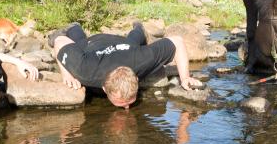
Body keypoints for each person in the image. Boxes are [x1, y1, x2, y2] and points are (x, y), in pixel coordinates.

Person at [51, 22, 201, 109]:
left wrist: (185, 78)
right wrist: (68, 74)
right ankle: (74, 26)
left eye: (129, 101)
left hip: (125, 45)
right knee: (79, 42)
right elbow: (60, 41)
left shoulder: (142, 60)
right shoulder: (85, 69)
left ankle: (138, 27)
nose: (127, 108)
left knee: (134, 41)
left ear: (136, 78)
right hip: (93, 46)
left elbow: (177, 42)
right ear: (104, 88)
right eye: (122, 103)